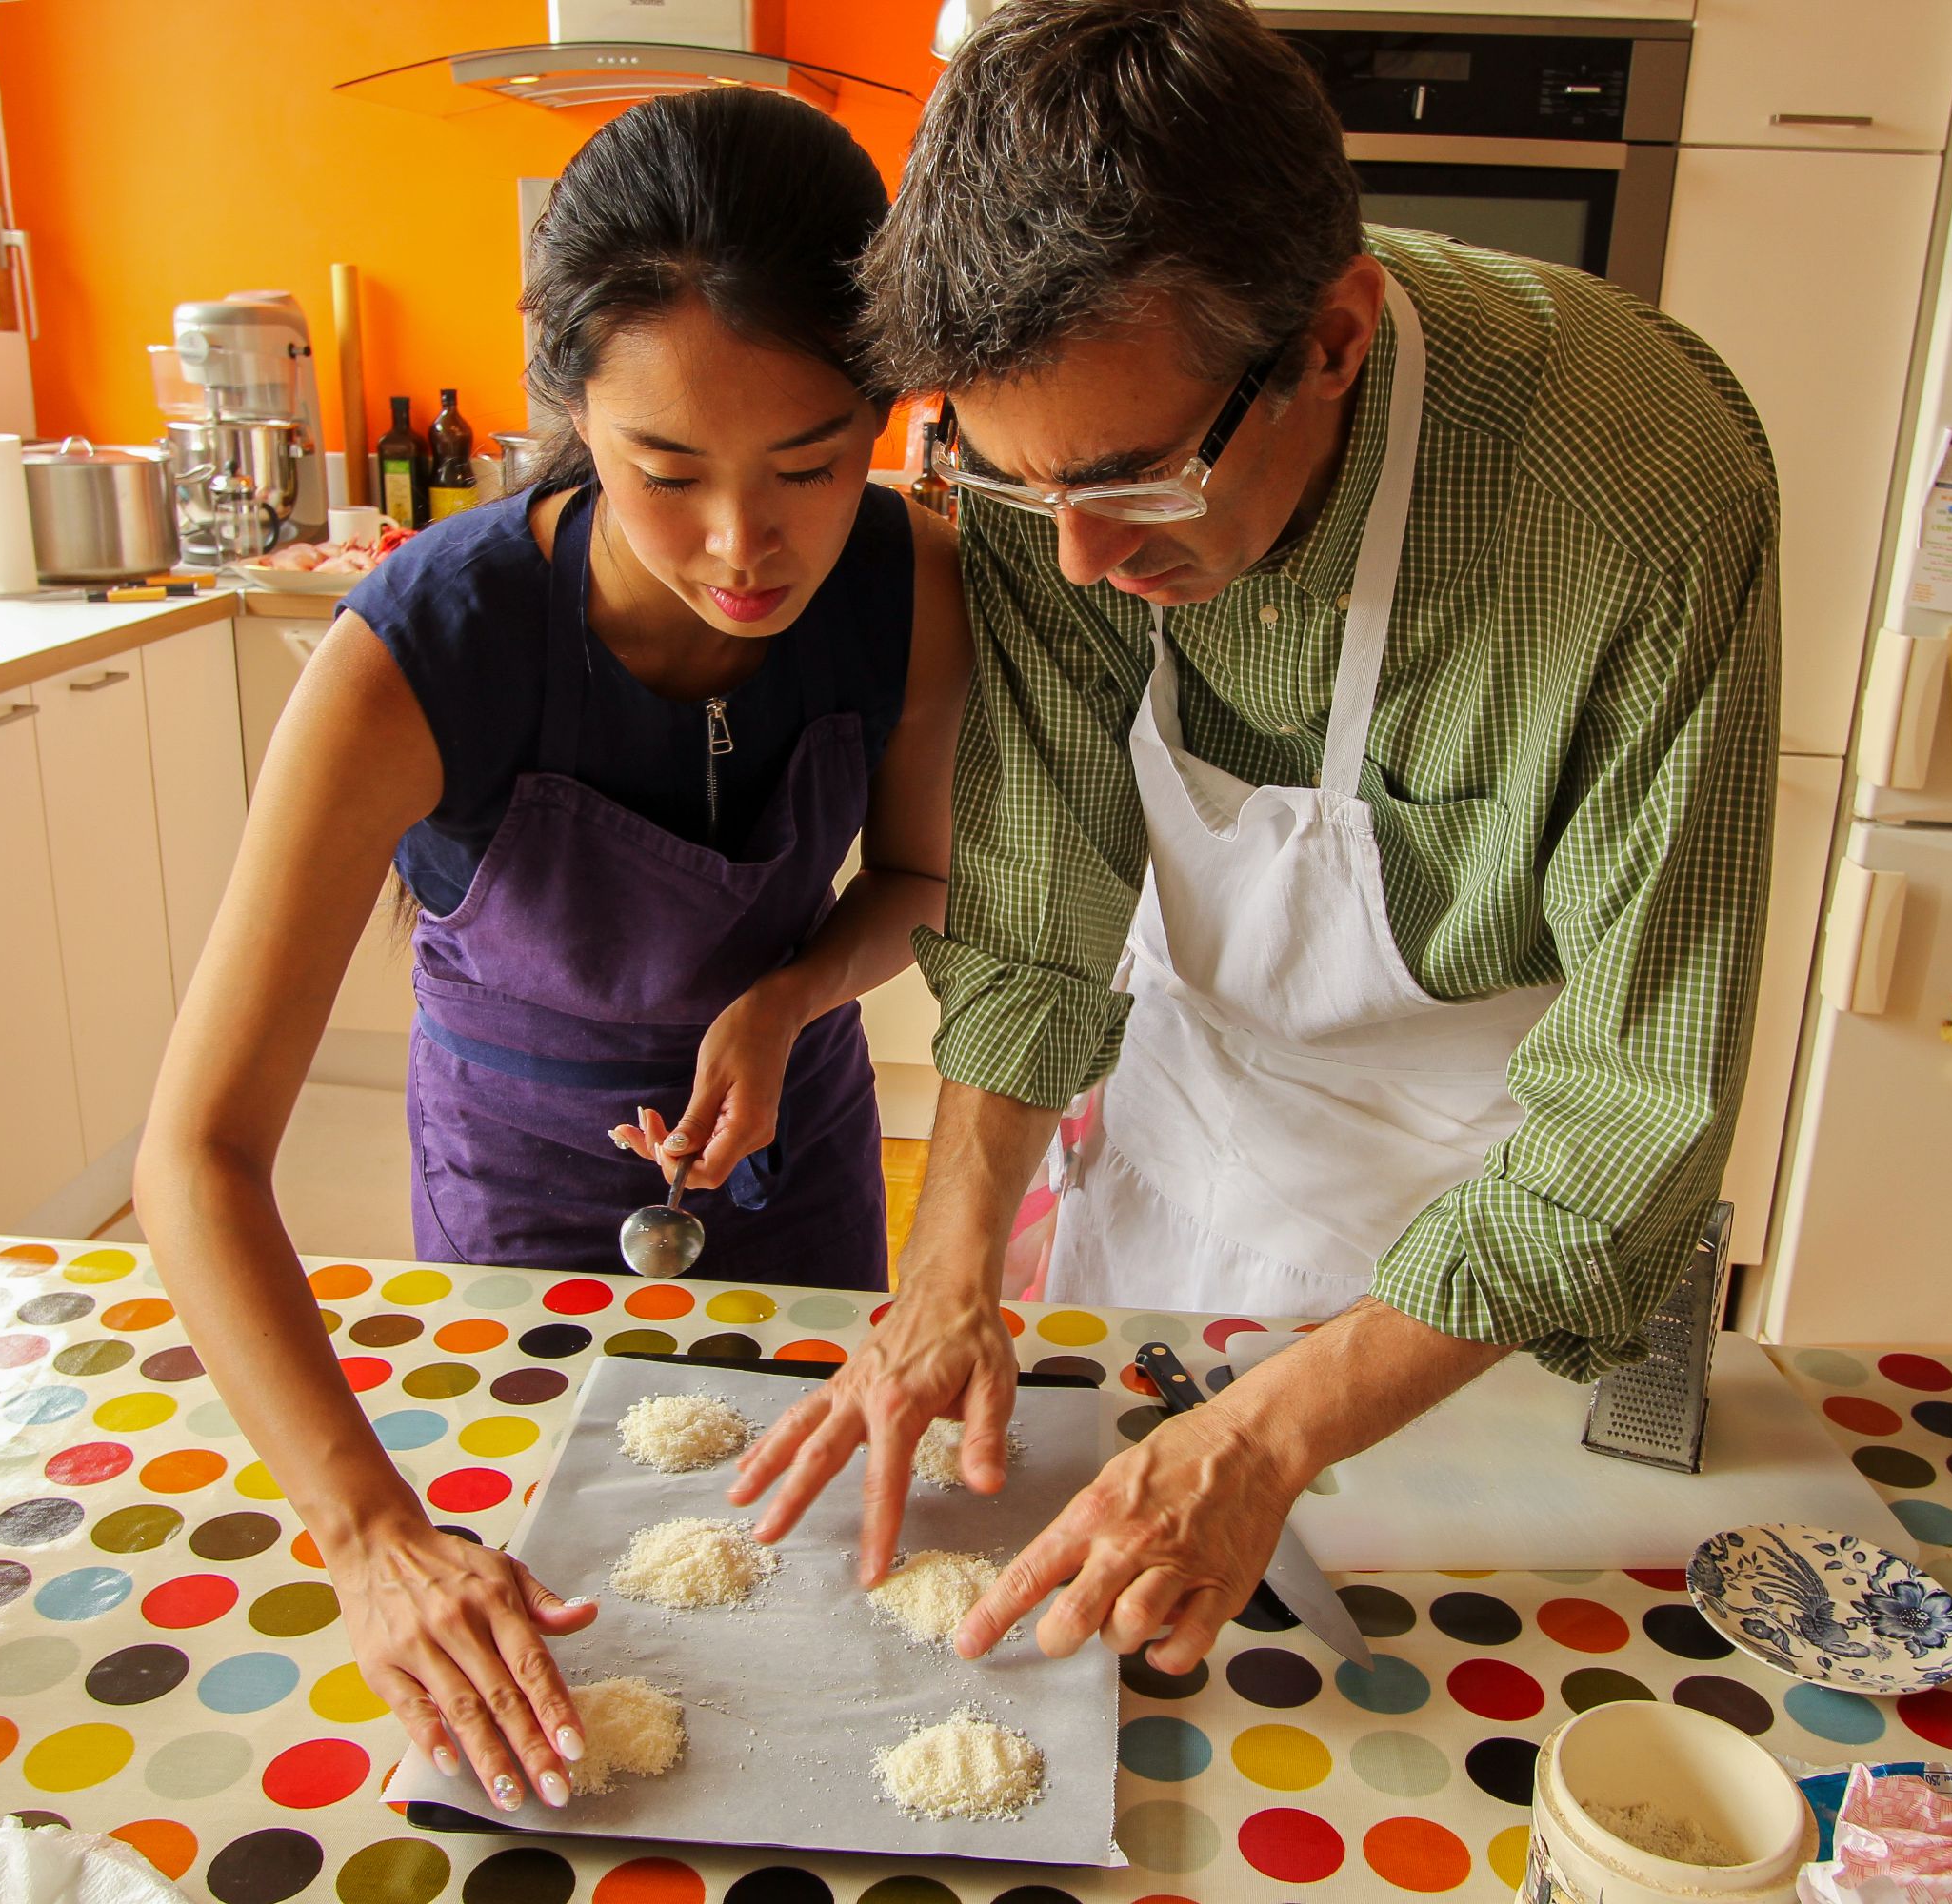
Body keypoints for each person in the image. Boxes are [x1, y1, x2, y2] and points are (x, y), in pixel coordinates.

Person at [729, 0, 1778, 1676]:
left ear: (1336, 338)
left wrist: (1274, 1437)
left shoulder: (1633, 500)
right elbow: (1043, 888)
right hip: (1178, 1121)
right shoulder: (1057, 454)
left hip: (1483, 1238)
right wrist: (943, 1268)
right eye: (1014, 492)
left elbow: (1639, 1096)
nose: (1071, 562)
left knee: (1411, 1717)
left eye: (1135, 486)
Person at [131, 89, 967, 1812]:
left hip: (793, 1159)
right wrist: (370, 1536)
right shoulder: (415, 659)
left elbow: (924, 877)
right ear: (572, 412)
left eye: (815, 464)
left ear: (887, 409)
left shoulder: (913, 590)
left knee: (815, 1603)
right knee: (549, 1649)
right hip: (513, 1197)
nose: (748, 547)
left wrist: (794, 990)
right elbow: (193, 1158)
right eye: (666, 472)